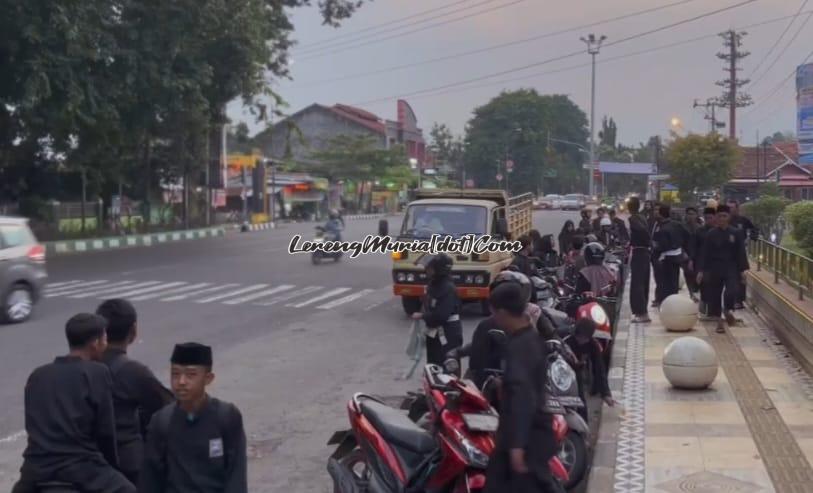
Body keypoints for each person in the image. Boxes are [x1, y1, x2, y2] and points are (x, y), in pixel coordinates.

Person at [13, 314, 136, 493]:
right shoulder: (97, 372)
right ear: (96, 343)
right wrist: (113, 468)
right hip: (79, 467)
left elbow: (32, 426)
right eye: (104, 339)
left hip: (35, 469)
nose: (106, 344)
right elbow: (105, 431)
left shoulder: (38, 375)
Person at [483, 283, 564, 493]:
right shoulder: (531, 337)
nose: (495, 320)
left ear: (501, 312)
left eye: (495, 314)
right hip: (530, 435)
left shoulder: (520, 347)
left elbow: (523, 396)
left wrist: (517, 445)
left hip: (525, 438)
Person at [139, 343, 247, 493]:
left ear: (208, 378)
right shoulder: (162, 422)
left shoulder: (227, 417)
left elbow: (236, 476)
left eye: (191, 375)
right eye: (175, 374)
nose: (181, 382)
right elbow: (151, 479)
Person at [96, 299, 174, 485]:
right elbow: (169, 408)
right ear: (133, 331)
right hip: (126, 465)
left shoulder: (81, 366)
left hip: (85, 463)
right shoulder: (134, 371)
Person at [450, 271, 557, 389]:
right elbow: (476, 350)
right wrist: (458, 352)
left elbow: (552, 335)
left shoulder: (536, 313)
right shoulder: (487, 324)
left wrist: (562, 349)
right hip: (491, 380)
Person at [697, 205, 750, 333]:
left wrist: (743, 270)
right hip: (715, 267)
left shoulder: (735, 233)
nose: (722, 218)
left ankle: (727, 309)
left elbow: (741, 252)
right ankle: (719, 322)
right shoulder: (711, 234)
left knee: (731, 290)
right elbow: (705, 253)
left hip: (731, 267)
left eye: (724, 216)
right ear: (716, 217)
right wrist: (701, 271)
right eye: (719, 216)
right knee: (715, 294)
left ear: (729, 217)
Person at [411, 253, 464, 367]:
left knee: (446, 369)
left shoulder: (447, 288)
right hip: (434, 334)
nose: (426, 270)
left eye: (429, 268)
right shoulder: (433, 284)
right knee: (433, 367)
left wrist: (422, 316)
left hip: (447, 334)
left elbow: (441, 315)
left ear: (438, 269)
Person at [563, 318, 614, 423]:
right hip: (562, 371)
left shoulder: (593, 345)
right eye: (579, 337)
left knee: (580, 400)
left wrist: (606, 394)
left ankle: (583, 429)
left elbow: (599, 369)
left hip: (576, 372)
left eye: (584, 338)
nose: (581, 341)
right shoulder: (565, 338)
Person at [727, 199, 758, 309]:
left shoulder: (743, 220)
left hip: (740, 253)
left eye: (732, 207)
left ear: (737, 208)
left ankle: (739, 301)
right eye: (728, 207)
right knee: (730, 277)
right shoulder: (724, 221)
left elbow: (754, 229)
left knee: (741, 276)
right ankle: (729, 300)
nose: (730, 209)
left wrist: (750, 238)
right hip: (727, 253)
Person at [651, 204, 684, 307]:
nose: (655, 212)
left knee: (667, 281)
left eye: (657, 210)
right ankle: (669, 300)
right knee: (670, 280)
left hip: (666, 257)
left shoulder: (665, 228)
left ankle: (667, 302)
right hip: (673, 256)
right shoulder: (658, 224)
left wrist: (655, 247)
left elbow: (663, 245)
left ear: (661, 213)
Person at [626, 197, 651, 323]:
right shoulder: (642, 217)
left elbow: (642, 231)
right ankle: (642, 311)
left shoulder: (634, 218)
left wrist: (643, 241)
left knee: (637, 284)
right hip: (644, 252)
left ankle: (641, 312)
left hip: (639, 252)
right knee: (643, 283)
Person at [695, 207, 717, 317]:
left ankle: (713, 311)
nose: (708, 220)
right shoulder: (699, 231)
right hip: (702, 263)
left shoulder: (719, 231)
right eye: (706, 218)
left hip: (716, 264)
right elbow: (694, 248)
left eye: (711, 218)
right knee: (704, 286)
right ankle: (704, 304)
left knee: (715, 287)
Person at [680, 207, 701, 302]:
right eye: (689, 214)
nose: (690, 216)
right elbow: (679, 242)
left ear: (696, 215)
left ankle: (697, 292)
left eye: (692, 214)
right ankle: (692, 294)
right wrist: (683, 252)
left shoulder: (700, 228)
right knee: (688, 275)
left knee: (698, 275)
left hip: (698, 256)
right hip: (686, 255)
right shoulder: (682, 227)